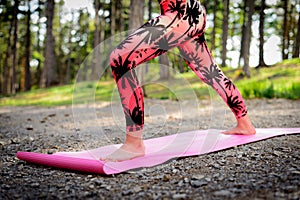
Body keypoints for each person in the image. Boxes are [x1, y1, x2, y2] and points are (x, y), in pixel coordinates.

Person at [101, 0, 256, 162]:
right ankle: (245, 124)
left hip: (180, 14)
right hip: (193, 13)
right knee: (211, 73)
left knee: (120, 58)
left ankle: (134, 144)